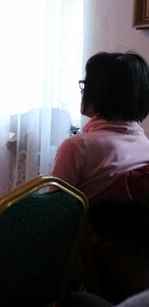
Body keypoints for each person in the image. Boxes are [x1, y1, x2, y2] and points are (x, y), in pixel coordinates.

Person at [51, 51, 149, 202]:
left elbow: (54, 208)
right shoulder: (145, 145)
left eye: (86, 84)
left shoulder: (77, 148)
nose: (82, 91)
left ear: (100, 92)